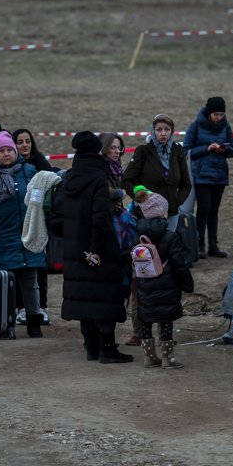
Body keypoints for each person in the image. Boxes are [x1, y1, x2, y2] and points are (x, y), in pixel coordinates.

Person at [60, 131, 133, 364]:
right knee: (104, 298)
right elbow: (100, 218)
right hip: (97, 247)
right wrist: (97, 250)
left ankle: (91, 348)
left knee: (84, 297)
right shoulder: (98, 178)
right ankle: (107, 349)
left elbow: (58, 216)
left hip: (73, 248)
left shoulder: (68, 178)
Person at [0, 131, 45, 338]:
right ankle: (5, 322)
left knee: (31, 283)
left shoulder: (30, 172)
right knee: (6, 283)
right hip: (2, 239)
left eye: (9, 150)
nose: (6, 154)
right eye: (1, 151)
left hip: (28, 237)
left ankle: (34, 322)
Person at [133, 190, 194, 369]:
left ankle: (149, 357)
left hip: (144, 283)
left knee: (146, 319)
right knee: (165, 320)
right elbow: (179, 263)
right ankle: (168, 359)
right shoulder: (169, 235)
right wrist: (187, 284)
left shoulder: (139, 234)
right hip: (167, 284)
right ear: (162, 212)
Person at [99, 132, 142, 347]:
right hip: (108, 230)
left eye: (119, 148)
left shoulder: (116, 169)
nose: (117, 151)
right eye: (113, 147)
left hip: (118, 225)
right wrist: (117, 195)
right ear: (104, 148)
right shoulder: (100, 168)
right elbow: (100, 192)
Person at [182, 96, 233, 258]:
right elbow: (186, 151)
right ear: (209, 113)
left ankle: (213, 246)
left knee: (214, 211)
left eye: (221, 114)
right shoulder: (195, 126)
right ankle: (199, 246)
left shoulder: (226, 127)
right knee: (203, 211)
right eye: (216, 114)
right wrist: (207, 148)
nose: (219, 117)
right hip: (201, 176)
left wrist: (224, 150)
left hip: (219, 175)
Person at [122, 114, 192, 232]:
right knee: (150, 249)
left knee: (169, 247)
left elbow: (186, 184)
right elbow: (126, 181)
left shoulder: (178, 151)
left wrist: (177, 201)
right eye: (159, 129)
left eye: (167, 129)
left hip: (171, 213)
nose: (163, 133)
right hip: (148, 214)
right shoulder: (143, 152)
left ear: (172, 131)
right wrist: (142, 198)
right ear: (153, 131)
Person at [12, 128, 52, 324]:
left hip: (39, 223)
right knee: (21, 268)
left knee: (40, 267)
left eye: (27, 141)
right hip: (17, 224)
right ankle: (21, 307)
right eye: (20, 142)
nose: (25, 145)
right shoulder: (11, 166)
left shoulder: (41, 164)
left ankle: (41, 307)